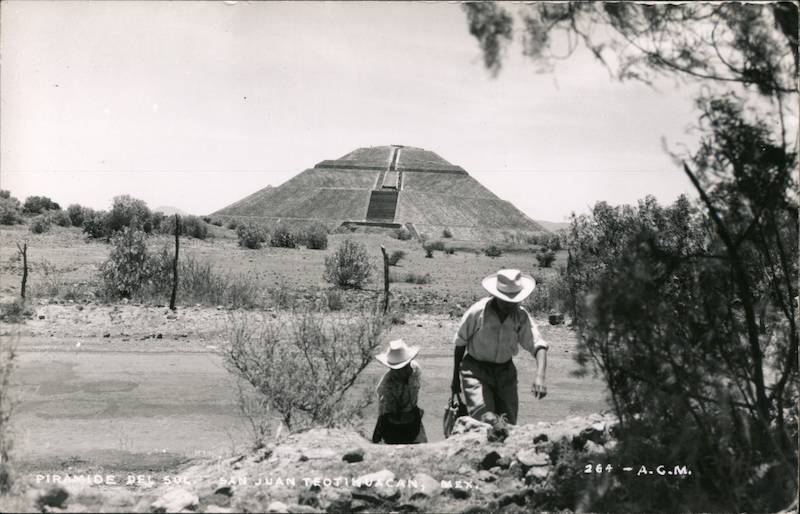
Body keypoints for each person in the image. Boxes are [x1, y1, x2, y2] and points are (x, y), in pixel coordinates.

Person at [451, 269, 548, 427]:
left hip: (505, 373)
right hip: (476, 370)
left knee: (508, 423)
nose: (510, 305)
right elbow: (460, 344)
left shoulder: (520, 316)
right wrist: (455, 380)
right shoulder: (477, 312)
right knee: (485, 420)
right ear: (496, 296)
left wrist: (540, 376)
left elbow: (539, 346)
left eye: (514, 301)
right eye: (505, 301)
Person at [372, 339, 427, 444]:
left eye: (407, 365)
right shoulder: (386, 387)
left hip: (413, 415)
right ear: (393, 370)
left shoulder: (415, 369)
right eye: (403, 368)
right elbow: (388, 415)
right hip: (393, 424)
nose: (408, 370)